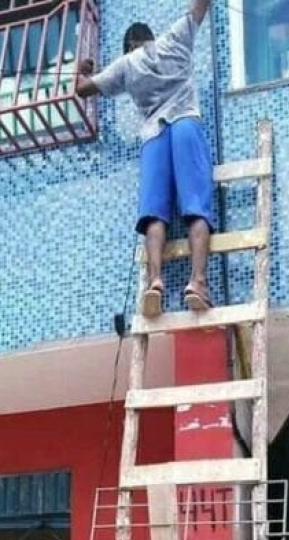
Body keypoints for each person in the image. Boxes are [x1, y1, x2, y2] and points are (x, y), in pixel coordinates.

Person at [76, 1, 214, 319]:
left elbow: (83, 89)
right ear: (151, 38)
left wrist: (83, 70)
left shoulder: (124, 65)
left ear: (128, 46)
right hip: (185, 125)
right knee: (195, 205)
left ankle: (155, 282)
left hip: (153, 136)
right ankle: (197, 282)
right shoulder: (173, 40)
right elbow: (200, 6)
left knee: (154, 214)